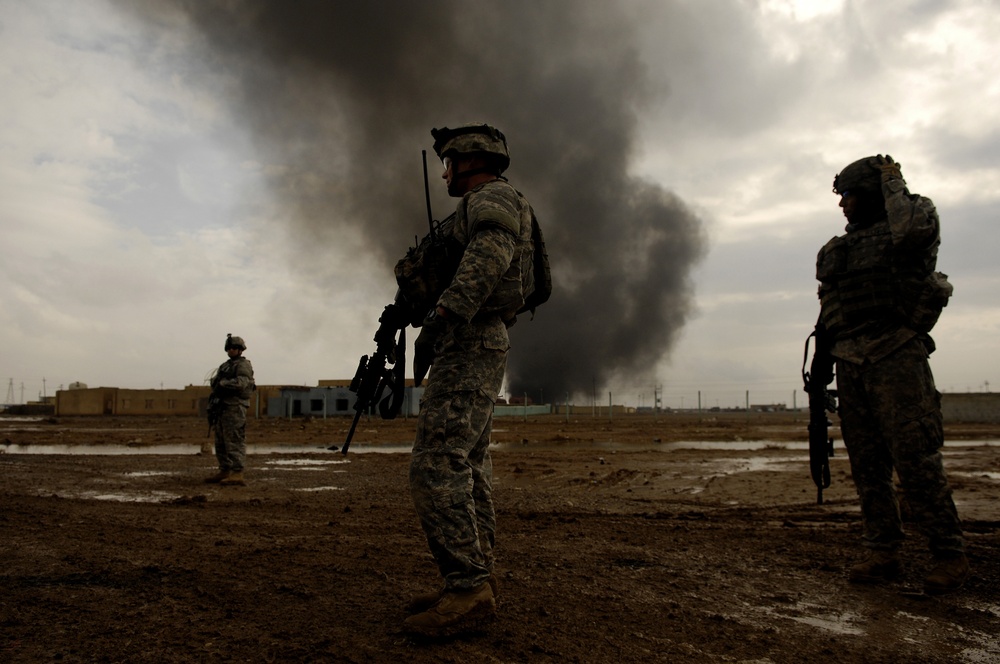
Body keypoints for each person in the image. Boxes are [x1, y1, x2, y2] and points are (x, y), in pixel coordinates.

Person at [402, 123, 536, 635]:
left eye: (449, 163)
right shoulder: (484, 202)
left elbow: (489, 256)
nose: (445, 173)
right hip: (475, 338)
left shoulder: (493, 198)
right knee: (469, 464)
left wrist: (442, 318)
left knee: (435, 464)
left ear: (467, 161)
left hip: (469, 339)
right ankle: (475, 579)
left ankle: (468, 587)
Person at [816, 154, 968, 594]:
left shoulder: (914, 217)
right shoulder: (837, 248)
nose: (843, 204)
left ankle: (949, 554)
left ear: (873, 193)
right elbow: (830, 311)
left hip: (897, 354)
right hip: (851, 361)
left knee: (916, 461)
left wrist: (892, 183)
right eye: (840, 197)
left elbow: (912, 233)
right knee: (867, 466)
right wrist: (822, 366)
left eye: (849, 194)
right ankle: (883, 550)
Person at [205, 334, 255, 486]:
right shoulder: (226, 366)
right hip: (222, 407)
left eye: (235, 348)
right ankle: (225, 469)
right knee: (220, 441)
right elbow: (215, 382)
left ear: (240, 350)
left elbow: (241, 383)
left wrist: (223, 384)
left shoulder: (243, 365)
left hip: (235, 406)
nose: (231, 350)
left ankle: (237, 472)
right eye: (229, 348)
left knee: (234, 439)